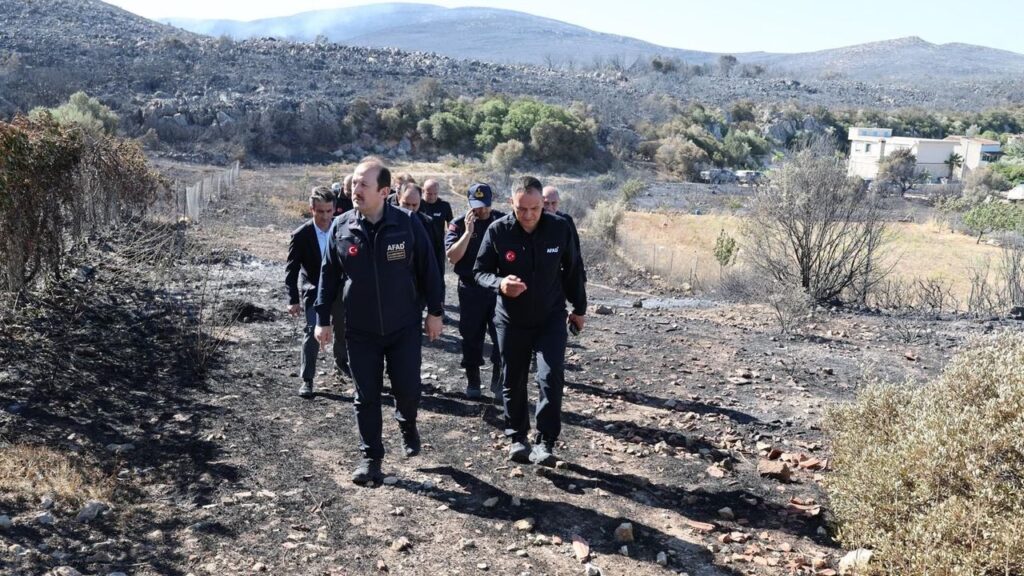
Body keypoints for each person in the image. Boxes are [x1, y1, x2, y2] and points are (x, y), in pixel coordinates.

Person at [314, 158, 444, 485]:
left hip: (403, 326)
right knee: (366, 395)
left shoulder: (408, 224)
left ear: (384, 191)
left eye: (363, 184)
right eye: (354, 183)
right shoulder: (342, 227)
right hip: (360, 329)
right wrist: (322, 319)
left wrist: (435, 312)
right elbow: (328, 276)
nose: (354, 189)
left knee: (408, 389)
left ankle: (407, 422)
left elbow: (430, 270)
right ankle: (371, 458)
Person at [474, 176, 586, 466]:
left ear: (542, 205)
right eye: (521, 208)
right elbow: (480, 272)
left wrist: (580, 309)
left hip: (550, 317)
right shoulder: (498, 231)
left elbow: (573, 270)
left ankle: (545, 441)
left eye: (535, 208)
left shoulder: (560, 228)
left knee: (550, 377)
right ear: (511, 203)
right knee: (514, 378)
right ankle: (517, 438)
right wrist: (499, 283)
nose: (528, 215)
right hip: (511, 319)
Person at [445, 183, 505, 400]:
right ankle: (473, 381)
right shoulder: (459, 224)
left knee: (501, 337)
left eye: (485, 206)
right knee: (471, 336)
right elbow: (452, 257)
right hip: (470, 289)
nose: (482, 211)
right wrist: (468, 233)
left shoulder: (502, 221)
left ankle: (498, 382)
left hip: (497, 289)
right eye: (477, 206)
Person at [285, 186, 339, 398]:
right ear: (311, 209)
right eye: (320, 211)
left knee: (347, 332)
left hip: (340, 290)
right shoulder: (301, 235)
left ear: (334, 209)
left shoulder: (341, 227)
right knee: (312, 332)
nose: (325, 216)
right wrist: (293, 299)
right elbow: (292, 269)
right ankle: (307, 379)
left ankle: (345, 368)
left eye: (329, 211)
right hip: (314, 291)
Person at [398, 184, 446, 280]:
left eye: (414, 205)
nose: (410, 209)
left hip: (419, 281)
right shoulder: (387, 221)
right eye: (406, 204)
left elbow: (436, 255)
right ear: (399, 198)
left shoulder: (427, 223)